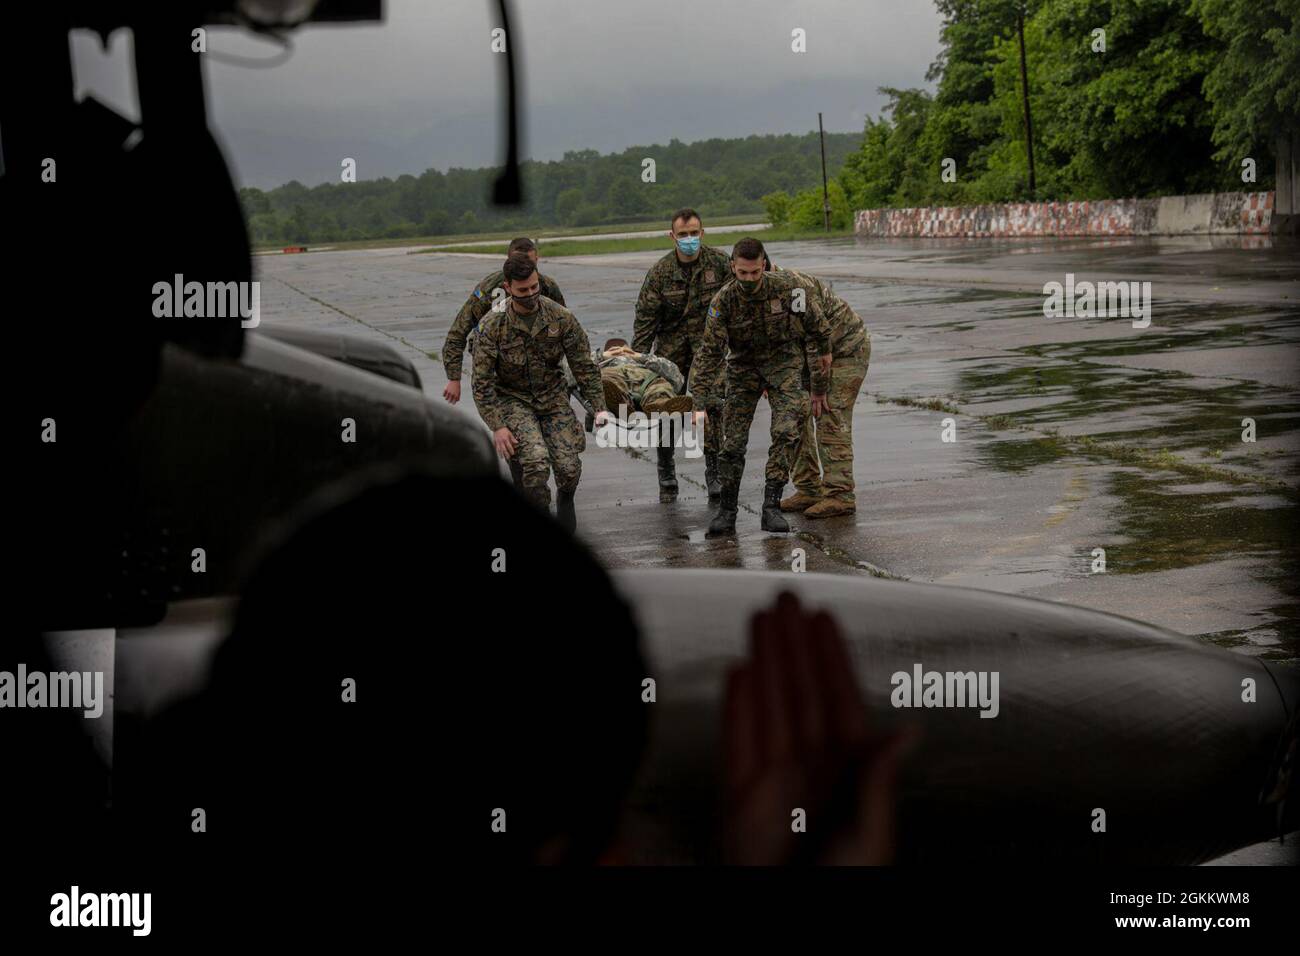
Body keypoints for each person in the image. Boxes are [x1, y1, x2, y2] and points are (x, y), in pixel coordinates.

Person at [691, 238, 832, 537]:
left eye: (755, 273)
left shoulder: (788, 287)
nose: (749, 280)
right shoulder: (724, 301)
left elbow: (817, 326)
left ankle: (771, 506)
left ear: (764, 266)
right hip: (743, 368)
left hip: (784, 362)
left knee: (786, 430)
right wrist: (699, 402)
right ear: (733, 267)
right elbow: (710, 353)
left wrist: (822, 359)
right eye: (743, 273)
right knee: (732, 444)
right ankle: (727, 511)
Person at [472, 253, 608, 531]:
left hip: (553, 398)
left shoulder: (560, 317)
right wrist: (497, 426)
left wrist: (600, 406)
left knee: (569, 470)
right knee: (535, 464)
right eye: (523, 290)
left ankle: (565, 500)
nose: (531, 294)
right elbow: (482, 383)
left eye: (535, 287)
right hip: (513, 399)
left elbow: (583, 366)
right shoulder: (491, 325)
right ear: (508, 288)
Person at [760, 254, 871, 518]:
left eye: (758, 275)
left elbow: (815, 343)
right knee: (794, 414)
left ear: (767, 268)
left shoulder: (795, 288)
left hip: (845, 350)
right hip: (806, 356)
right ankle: (809, 488)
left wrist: (818, 390)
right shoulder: (750, 291)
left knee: (828, 415)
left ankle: (840, 495)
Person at [633, 208, 731, 503]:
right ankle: (666, 468)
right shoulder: (660, 273)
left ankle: (713, 472)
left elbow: (735, 305)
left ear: (702, 233)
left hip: (709, 347)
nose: (689, 239)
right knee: (667, 408)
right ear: (672, 236)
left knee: (713, 404)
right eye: (683, 234)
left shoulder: (720, 263)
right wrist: (638, 366)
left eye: (694, 233)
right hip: (671, 347)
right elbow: (645, 321)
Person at [441, 236, 565, 406]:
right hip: (497, 362)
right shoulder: (490, 288)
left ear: (537, 259)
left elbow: (562, 325)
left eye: (530, 263)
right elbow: (459, 331)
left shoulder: (547, 287)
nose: (525, 269)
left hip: (536, 363)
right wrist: (454, 378)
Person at [573, 338, 695, 502]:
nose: (620, 351)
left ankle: (659, 407)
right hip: (612, 376)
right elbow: (570, 373)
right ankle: (621, 404)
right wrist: (601, 356)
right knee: (607, 384)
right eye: (615, 349)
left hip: (647, 378)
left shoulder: (644, 362)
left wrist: (641, 357)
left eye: (623, 349)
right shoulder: (599, 362)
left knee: (661, 389)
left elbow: (677, 377)